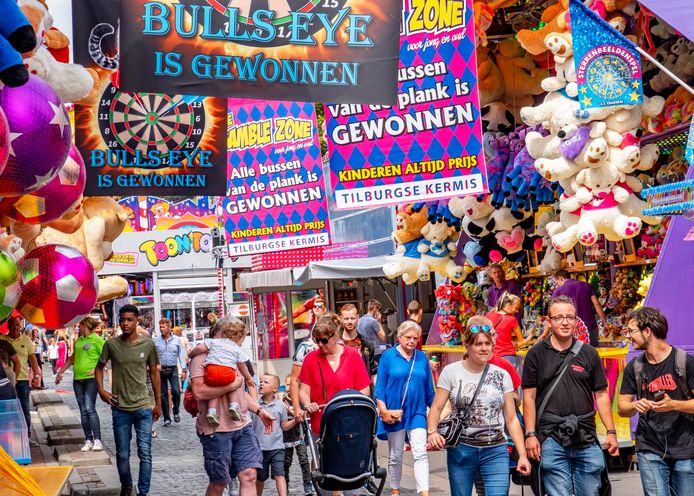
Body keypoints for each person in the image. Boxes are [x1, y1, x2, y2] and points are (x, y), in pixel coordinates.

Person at [522, 296, 619, 496]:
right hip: (550, 436)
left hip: (585, 435)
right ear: (549, 321)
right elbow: (529, 397)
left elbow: (601, 395)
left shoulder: (589, 353)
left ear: (576, 321)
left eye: (569, 317)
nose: (564, 322)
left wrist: (611, 432)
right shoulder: (536, 353)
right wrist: (530, 434)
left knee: (590, 492)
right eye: (558, 318)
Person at [427, 316, 531, 496]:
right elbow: (437, 407)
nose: (484, 348)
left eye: (487, 343)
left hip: (495, 451)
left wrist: (522, 455)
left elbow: (512, 418)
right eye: (478, 344)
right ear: (467, 345)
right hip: (461, 450)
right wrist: (432, 432)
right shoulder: (451, 372)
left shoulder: (501, 374)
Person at [189, 316, 274, 496]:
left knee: (250, 475)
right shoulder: (201, 358)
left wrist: (259, 410)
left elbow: (241, 392)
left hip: (242, 425)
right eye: (231, 333)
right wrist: (231, 385)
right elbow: (199, 392)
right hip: (216, 429)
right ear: (219, 333)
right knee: (219, 483)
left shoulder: (235, 353)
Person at [617, 307, 694, 495]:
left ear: (647, 331)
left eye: (631, 331)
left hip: (685, 448)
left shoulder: (685, 361)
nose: (628, 336)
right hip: (649, 447)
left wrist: (674, 404)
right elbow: (622, 407)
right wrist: (635, 405)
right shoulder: (634, 367)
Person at [298, 314, 372, 496]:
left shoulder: (352, 356)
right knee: (325, 476)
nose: (320, 345)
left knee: (351, 476)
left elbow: (364, 390)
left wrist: (352, 406)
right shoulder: (310, 359)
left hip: (349, 426)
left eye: (324, 340)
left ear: (335, 336)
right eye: (317, 341)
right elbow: (303, 390)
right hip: (321, 425)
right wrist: (308, 404)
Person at [95, 304, 162, 496]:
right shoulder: (111, 344)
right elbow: (99, 367)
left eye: (129, 319)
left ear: (137, 321)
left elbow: (155, 374)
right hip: (120, 408)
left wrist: (157, 403)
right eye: (122, 319)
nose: (125, 323)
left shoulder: (148, 345)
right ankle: (126, 485)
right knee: (123, 454)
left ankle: (143, 492)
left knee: (145, 453)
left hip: (143, 406)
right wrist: (102, 390)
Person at [375, 320, 434, 496]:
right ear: (399, 337)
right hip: (395, 412)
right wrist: (383, 410)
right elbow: (380, 389)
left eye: (415, 338)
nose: (411, 341)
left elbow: (429, 390)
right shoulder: (388, 356)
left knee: (420, 452)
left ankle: (424, 491)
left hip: (417, 411)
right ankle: (395, 489)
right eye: (408, 337)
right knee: (395, 454)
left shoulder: (422, 357)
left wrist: (438, 409)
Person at [189, 321, 255, 425]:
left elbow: (199, 348)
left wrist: (190, 354)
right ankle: (233, 405)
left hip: (211, 371)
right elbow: (242, 366)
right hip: (227, 372)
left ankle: (211, 411)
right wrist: (249, 378)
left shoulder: (214, 342)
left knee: (215, 388)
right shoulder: (236, 348)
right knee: (234, 384)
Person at [55, 317, 104, 452]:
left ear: (85, 325)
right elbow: (72, 359)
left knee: (90, 408)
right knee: (83, 411)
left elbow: (106, 357)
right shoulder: (78, 341)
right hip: (78, 380)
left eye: (79, 325)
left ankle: (98, 439)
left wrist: (96, 369)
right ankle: (88, 440)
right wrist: (61, 372)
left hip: (91, 380)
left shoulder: (97, 340)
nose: (77, 328)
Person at [252, 374, 298, 496]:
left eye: (266, 382)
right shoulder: (255, 406)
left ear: (275, 388)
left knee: (280, 475)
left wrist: (295, 420)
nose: (261, 383)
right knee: (260, 478)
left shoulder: (280, 405)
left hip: (277, 448)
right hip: (260, 449)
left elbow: (284, 426)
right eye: (261, 381)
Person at [0, 316, 41, 442]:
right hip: (5, 382)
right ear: (8, 326)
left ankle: (26, 437)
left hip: (22, 380)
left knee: (24, 409)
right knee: (8, 410)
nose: (15, 327)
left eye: (18, 325)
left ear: (21, 326)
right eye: (13, 325)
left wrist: (36, 375)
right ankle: (10, 437)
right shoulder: (3, 340)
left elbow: (33, 359)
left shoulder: (26, 340)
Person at [552, 269, 609, 348]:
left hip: (570, 330)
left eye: (557, 282)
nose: (558, 285)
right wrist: (605, 322)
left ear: (560, 278)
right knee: (592, 354)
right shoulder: (586, 285)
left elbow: (553, 312)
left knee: (574, 357)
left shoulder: (558, 291)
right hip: (590, 328)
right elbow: (597, 304)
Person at [282, 374, 313, 496]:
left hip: (299, 435)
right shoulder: (282, 400)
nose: (289, 387)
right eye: (287, 384)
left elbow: (303, 416)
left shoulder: (300, 401)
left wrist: (291, 410)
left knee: (304, 460)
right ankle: (285, 485)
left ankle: (307, 484)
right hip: (286, 437)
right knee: (286, 462)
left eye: (291, 384)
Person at [154, 318, 187, 426]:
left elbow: (181, 355)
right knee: (163, 395)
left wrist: (184, 369)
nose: (162, 329)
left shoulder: (177, 340)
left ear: (169, 327)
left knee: (176, 392)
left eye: (163, 327)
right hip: (161, 370)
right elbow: (153, 355)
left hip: (172, 368)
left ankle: (176, 411)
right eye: (160, 327)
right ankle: (167, 418)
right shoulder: (156, 340)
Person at [485, 292, 532, 367]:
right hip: (508, 357)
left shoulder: (489, 314)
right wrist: (529, 337)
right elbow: (520, 341)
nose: (516, 311)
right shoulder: (512, 320)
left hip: (491, 358)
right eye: (516, 308)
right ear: (508, 305)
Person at [339, 304, 377, 382]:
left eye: (352, 318)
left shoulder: (367, 344)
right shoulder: (335, 343)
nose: (349, 322)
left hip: (362, 390)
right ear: (341, 319)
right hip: (340, 390)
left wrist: (376, 392)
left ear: (357, 318)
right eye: (346, 319)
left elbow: (373, 372)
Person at [357, 299, 388, 364]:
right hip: (375, 352)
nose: (380, 312)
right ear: (375, 309)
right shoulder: (373, 321)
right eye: (379, 309)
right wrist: (379, 322)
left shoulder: (360, 320)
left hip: (365, 352)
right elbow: (383, 338)